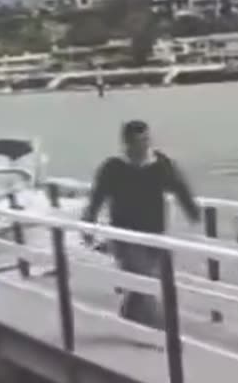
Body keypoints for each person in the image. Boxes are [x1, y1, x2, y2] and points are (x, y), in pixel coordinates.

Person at [82, 119, 200, 326]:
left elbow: (179, 187)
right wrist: (88, 224)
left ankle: (128, 315)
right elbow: (97, 198)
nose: (145, 145)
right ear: (128, 143)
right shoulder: (113, 167)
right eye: (140, 141)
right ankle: (160, 331)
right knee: (143, 280)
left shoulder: (160, 164)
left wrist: (192, 212)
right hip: (126, 236)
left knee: (151, 281)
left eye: (147, 139)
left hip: (155, 234)